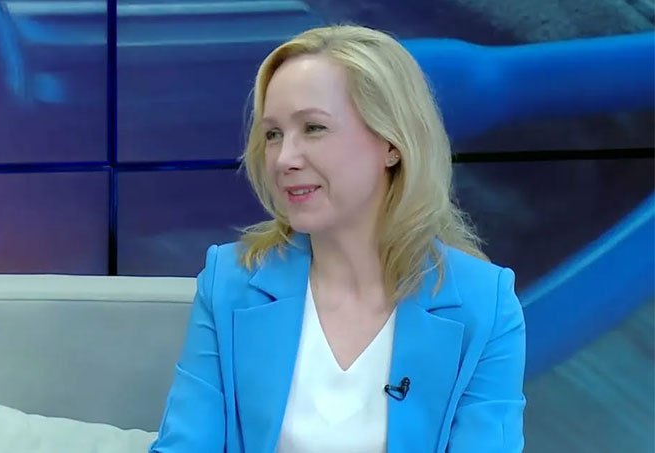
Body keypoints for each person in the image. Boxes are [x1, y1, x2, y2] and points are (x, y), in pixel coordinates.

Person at [149, 25, 526, 453]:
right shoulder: (229, 284)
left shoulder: (485, 304)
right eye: (273, 134)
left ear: (392, 142)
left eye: (313, 128)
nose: (285, 159)